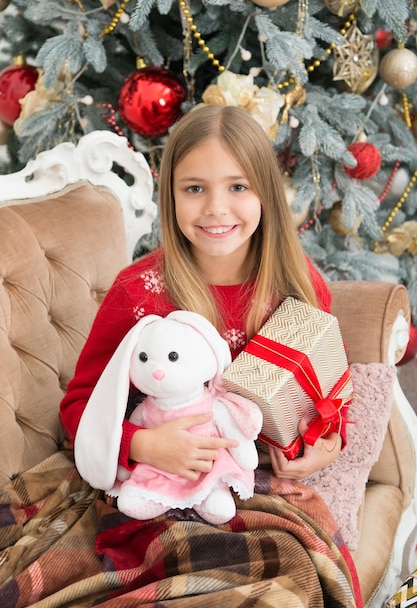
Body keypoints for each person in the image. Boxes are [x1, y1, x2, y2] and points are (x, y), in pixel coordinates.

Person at [59, 104, 345, 487]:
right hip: (165, 482)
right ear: (171, 195)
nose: (216, 208)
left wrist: (331, 441)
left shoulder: (297, 282)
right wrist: (142, 444)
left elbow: (329, 390)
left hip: (261, 480)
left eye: (238, 187)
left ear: (266, 194)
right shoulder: (138, 292)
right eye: (195, 188)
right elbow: (80, 405)